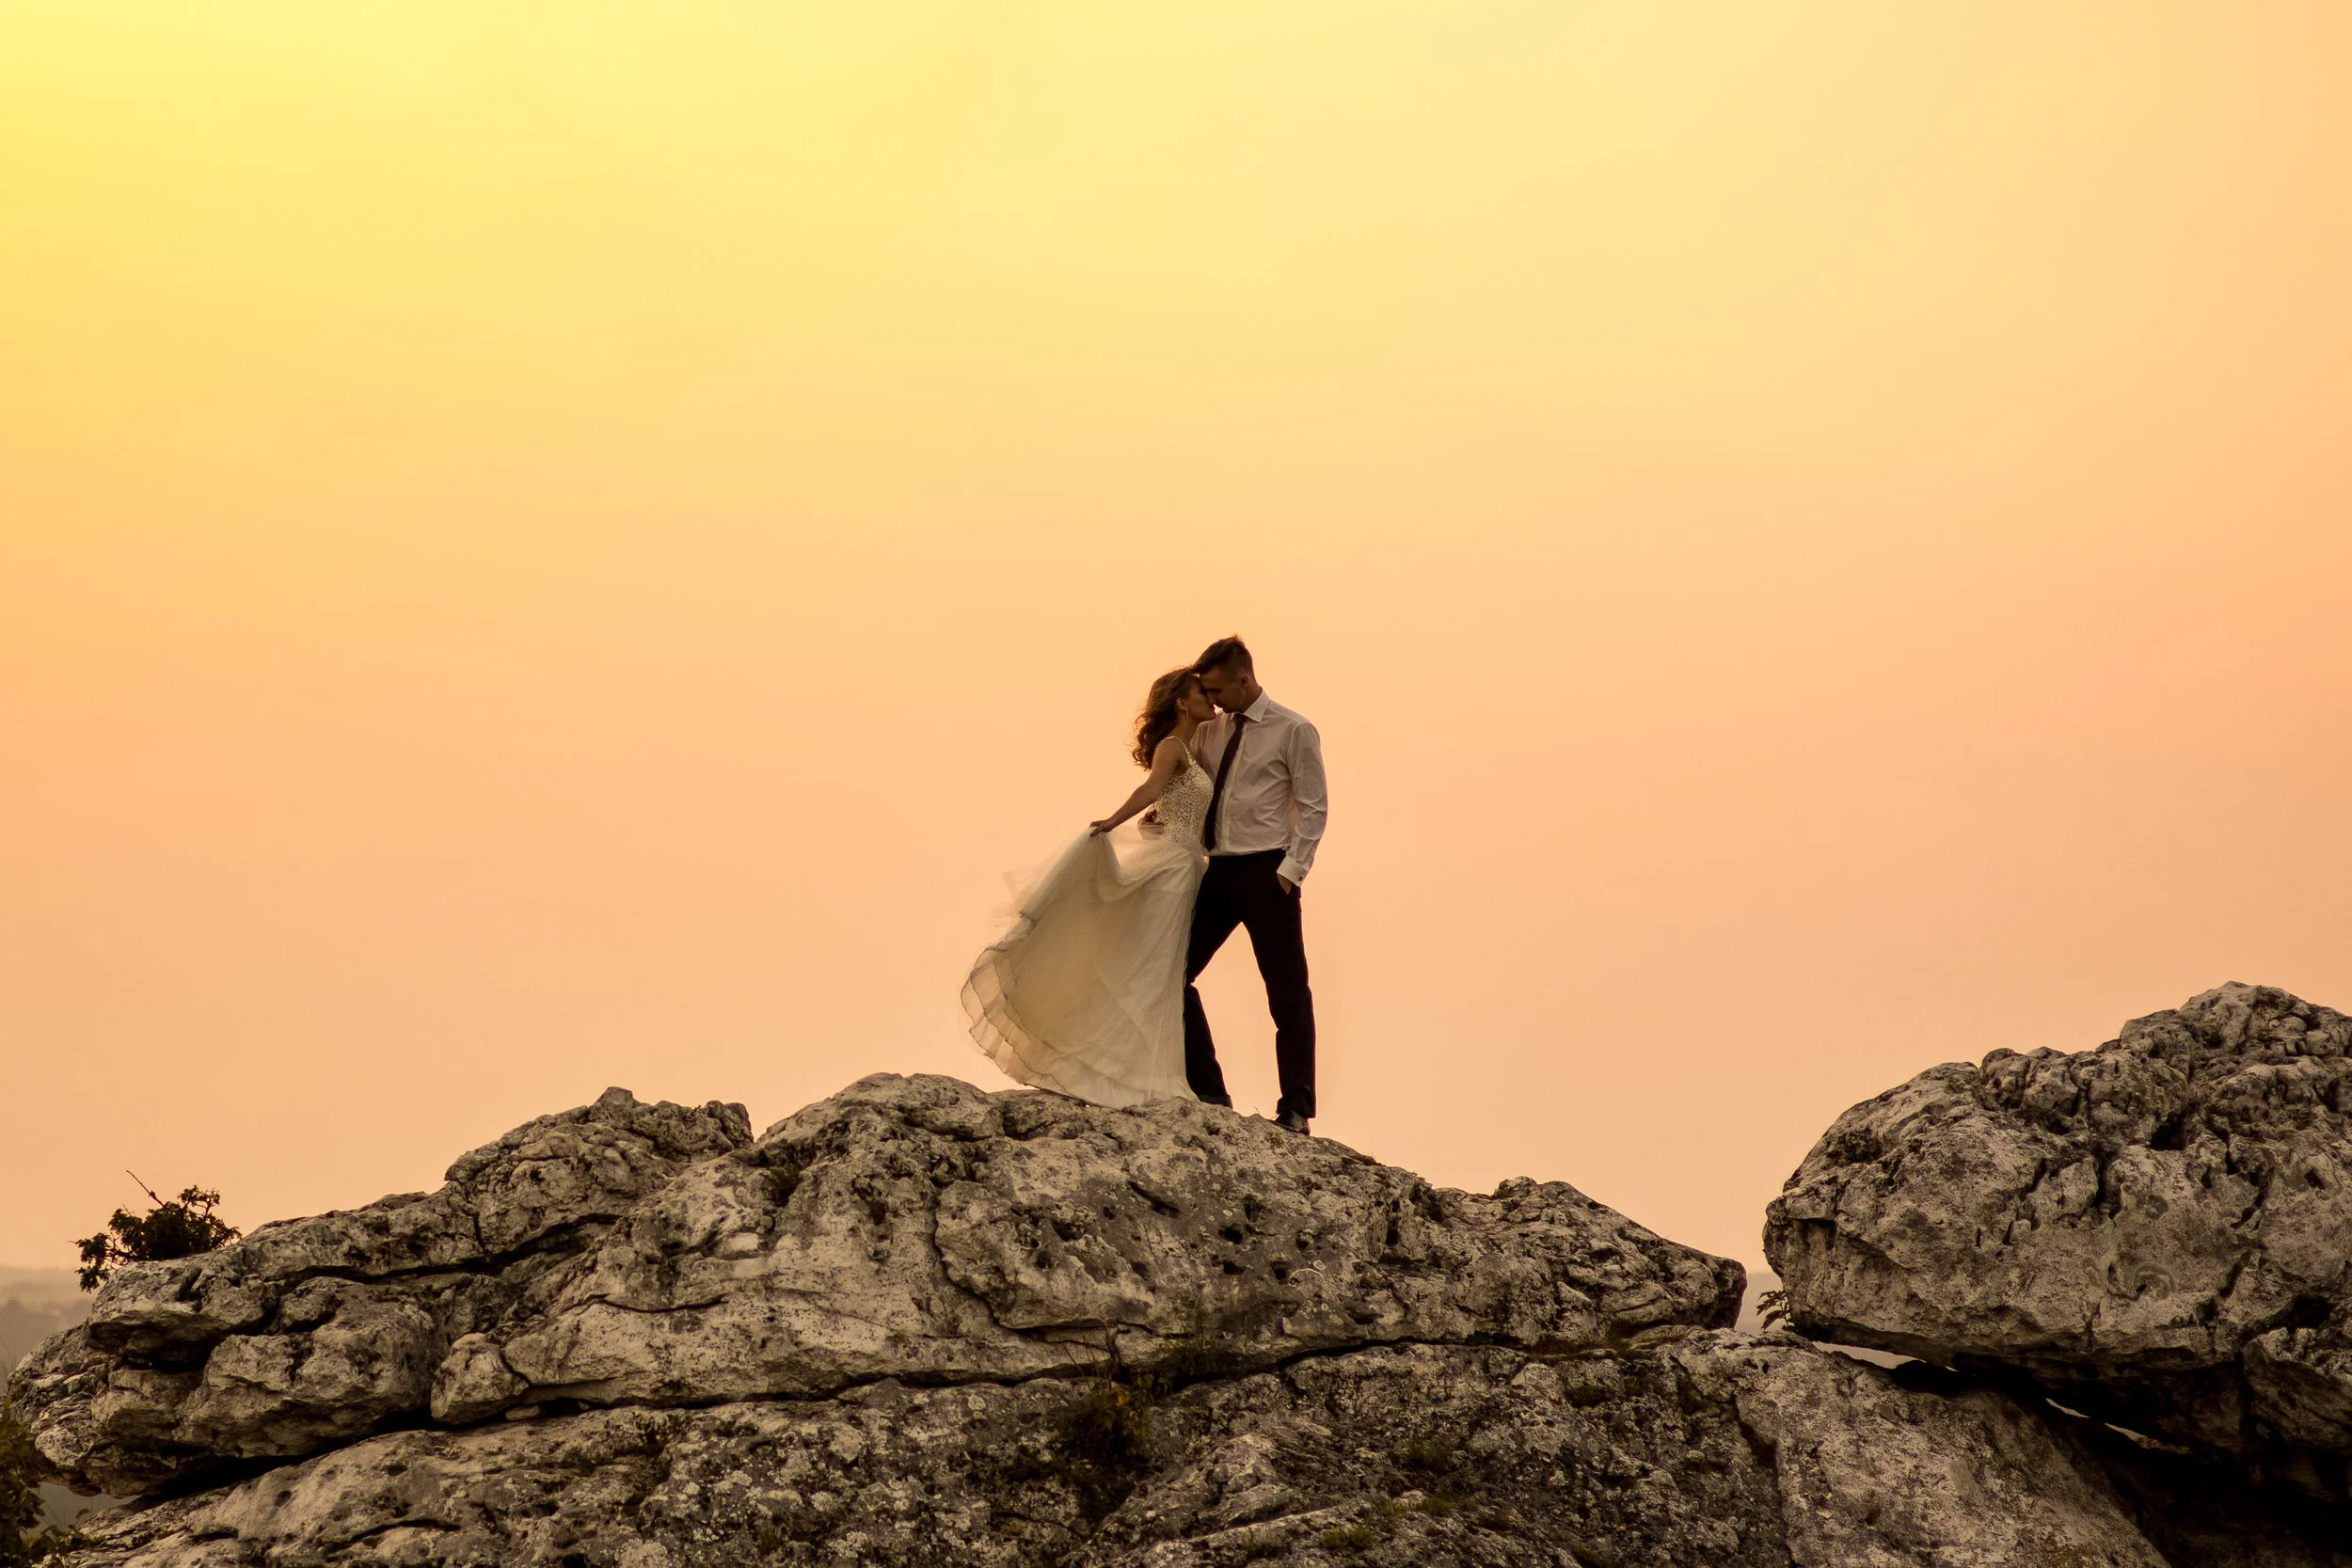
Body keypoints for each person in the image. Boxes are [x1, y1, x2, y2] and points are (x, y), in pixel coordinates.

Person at [961, 666, 1218, 1107]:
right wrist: (1116, 819)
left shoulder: (1194, 748)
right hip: (1171, 871)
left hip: (1186, 865)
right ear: (1181, 702)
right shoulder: (1173, 746)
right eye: (1200, 692)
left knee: (1163, 969)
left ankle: (1151, 1073)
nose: (1208, 697)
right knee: (1154, 969)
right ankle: (1138, 1078)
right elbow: (1152, 788)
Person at [1183, 636, 1327, 1133]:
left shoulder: (1294, 729)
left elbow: (1314, 808)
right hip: (1218, 872)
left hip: (1269, 873)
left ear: (1245, 679)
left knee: (1287, 996)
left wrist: (1289, 875)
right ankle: (1209, 1091)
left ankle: (1296, 1110)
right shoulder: (1211, 731)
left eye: (1219, 690)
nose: (1214, 700)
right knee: (1172, 974)